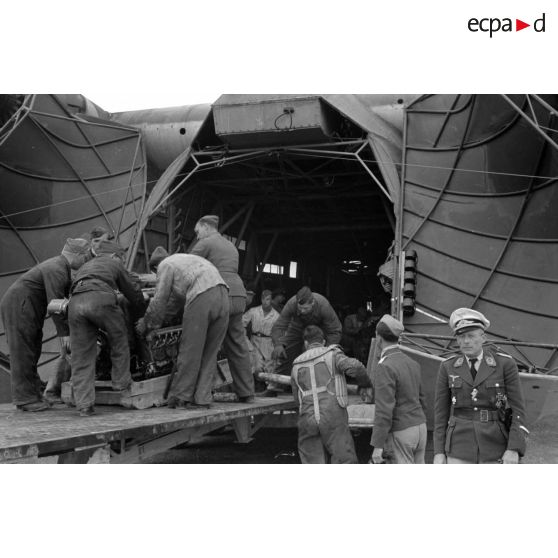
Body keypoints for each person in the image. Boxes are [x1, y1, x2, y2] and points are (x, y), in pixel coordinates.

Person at [0, 238, 91, 411]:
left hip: (26, 308)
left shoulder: (60, 267)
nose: (86, 261)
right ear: (77, 255)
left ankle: (33, 394)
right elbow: (55, 304)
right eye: (86, 257)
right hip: (20, 307)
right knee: (23, 351)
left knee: (33, 350)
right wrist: (64, 333)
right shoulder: (56, 268)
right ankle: (25, 399)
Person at [433, 308, 529, 464]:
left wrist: (514, 448)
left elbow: (518, 410)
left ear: (483, 338)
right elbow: (440, 414)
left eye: (471, 336)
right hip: (459, 448)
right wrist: (438, 452)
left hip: (495, 446)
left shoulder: (504, 364)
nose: (466, 341)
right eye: (461, 336)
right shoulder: (447, 367)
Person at [139, 248, 230, 409]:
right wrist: (162, 319)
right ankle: (202, 399)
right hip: (223, 297)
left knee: (190, 351)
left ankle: (181, 397)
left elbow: (159, 300)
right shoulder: (185, 261)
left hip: (202, 296)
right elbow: (173, 304)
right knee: (210, 353)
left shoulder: (165, 266)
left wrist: (147, 324)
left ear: (154, 268)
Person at [68, 240, 146, 416]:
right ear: (114, 256)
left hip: (76, 302)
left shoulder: (86, 266)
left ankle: (84, 405)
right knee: (119, 339)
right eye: (122, 258)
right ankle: (121, 384)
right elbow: (131, 291)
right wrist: (141, 310)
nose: (123, 262)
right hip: (99, 298)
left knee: (81, 355)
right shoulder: (114, 263)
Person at [189, 215, 254, 402]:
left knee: (209, 345)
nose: (197, 236)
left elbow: (187, 268)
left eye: (197, 231)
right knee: (238, 345)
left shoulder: (205, 243)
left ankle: (201, 396)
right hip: (239, 295)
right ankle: (247, 392)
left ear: (205, 227)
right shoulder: (230, 246)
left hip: (220, 294)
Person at [291, 325, 371, 464]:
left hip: (307, 417)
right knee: (343, 459)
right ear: (323, 342)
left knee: (312, 462)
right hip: (332, 415)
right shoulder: (332, 354)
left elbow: (296, 397)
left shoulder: (296, 365)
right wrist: (365, 384)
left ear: (305, 343)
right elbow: (356, 367)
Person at [369, 315, 427, 464]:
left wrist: (378, 445)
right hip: (420, 428)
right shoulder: (413, 363)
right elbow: (422, 399)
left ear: (379, 338)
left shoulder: (385, 366)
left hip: (402, 431)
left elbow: (384, 410)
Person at [271, 286, 342, 381]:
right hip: (297, 326)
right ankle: (276, 385)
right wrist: (278, 344)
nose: (302, 311)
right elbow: (279, 326)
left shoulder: (323, 305)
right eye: (300, 309)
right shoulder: (291, 303)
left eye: (305, 308)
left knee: (318, 356)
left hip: (319, 329)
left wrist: (327, 350)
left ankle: (317, 383)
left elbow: (335, 331)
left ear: (312, 303)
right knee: (285, 351)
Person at [243, 289, 280, 389]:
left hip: (268, 342)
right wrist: (244, 338)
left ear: (271, 300)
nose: (265, 301)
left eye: (267, 299)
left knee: (269, 366)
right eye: (263, 298)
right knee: (256, 365)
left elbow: (280, 331)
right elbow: (241, 323)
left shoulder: (276, 316)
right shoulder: (253, 311)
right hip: (255, 340)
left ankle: (269, 389)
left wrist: (277, 345)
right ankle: (257, 386)